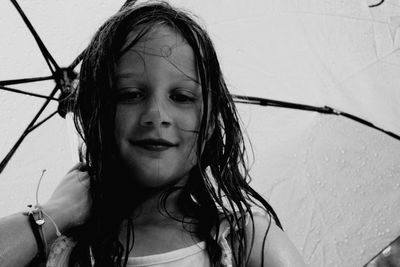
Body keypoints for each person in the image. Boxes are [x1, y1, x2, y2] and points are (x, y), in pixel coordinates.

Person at [0, 1, 306, 266]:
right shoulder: (64, 252)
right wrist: (57, 211)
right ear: (96, 117)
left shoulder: (246, 243)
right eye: (130, 94)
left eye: (182, 97)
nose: (157, 114)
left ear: (210, 123)